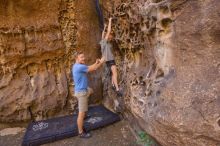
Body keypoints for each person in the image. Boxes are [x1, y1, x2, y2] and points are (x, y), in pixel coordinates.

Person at [72, 51, 104, 138]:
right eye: (81, 57)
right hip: (81, 92)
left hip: (84, 90)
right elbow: (93, 68)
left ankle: (84, 113)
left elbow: (92, 67)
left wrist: (96, 63)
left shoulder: (76, 66)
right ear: (77, 58)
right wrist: (102, 60)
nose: (84, 58)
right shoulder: (79, 67)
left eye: (83, 56)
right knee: (81, 113)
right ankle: (80, 132)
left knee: (90, 91)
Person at [99, 17, 122, 96]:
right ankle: (117, 89)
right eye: (109, 36)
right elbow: (108, 32)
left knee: (113, 72)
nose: (110, 37)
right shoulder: (105, 42)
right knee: (115, 73)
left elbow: (103, 34)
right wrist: (110, 21)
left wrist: (104, 28)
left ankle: (113, 84)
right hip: (110, 59)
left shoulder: (102, 42)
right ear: (107, 37)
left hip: (107, 60)